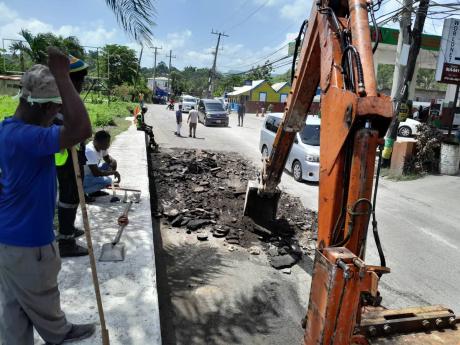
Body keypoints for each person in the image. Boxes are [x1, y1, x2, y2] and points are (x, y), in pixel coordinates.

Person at [0, 47, 95, 345]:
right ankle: (59, 334)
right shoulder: (30, 139)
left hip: (8, 239)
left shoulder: (10, 129)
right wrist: (62, 78)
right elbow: (81, 128)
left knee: (14, 310)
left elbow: (67, 126)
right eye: (56, 107)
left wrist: (59, 92)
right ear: (43, 108)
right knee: (42, 295)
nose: (59, 113)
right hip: (29, 245)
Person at [55, 55, 90, 257]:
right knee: (68, 197)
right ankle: (66, 241)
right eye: (79, 80)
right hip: (66, 159)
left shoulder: (68, 101)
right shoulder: (59, 103)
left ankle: (68, 229)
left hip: (74, 156)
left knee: (74, 196)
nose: (82, 85)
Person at [83, 130, 120, 196]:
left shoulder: (101, 147)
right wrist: (113, 172)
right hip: (84, 177)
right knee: (108, 181)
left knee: (106, 165)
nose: (108, 145)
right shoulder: (90, 151)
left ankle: (96, 190)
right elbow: (96, 173)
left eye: (108, 142)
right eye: (106, 143)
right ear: (97, 142)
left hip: (92, 171)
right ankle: (85, 191)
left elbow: (108, 159)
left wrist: (113, 161)